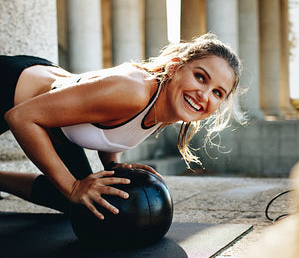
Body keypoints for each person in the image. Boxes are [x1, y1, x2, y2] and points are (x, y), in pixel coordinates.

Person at [0, 33, 242, 220]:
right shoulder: (134, 92)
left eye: (217, 92)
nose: (204, 95)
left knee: (89, 203)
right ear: (175, 66)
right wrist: (73, 186)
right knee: (74, 192)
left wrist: (112, 164)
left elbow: (108, 124)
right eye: (200, 77)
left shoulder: (167, 108)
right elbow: (21, 117)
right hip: (9, 84)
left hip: (54, 120)